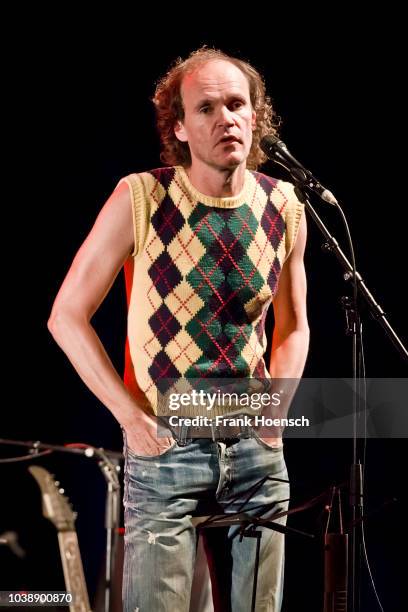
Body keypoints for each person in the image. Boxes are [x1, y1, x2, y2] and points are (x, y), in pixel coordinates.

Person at [48, 47, 309, 612]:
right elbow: (66, 315)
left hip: (254, 447)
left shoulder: (283, 204)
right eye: (207, 107)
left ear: (257, 116)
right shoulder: (142, 197)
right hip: (165, 445)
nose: (226, 119)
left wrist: (278, 411)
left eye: (237, 104)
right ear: (180, 127)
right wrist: (129, 416)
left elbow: (294, 327)